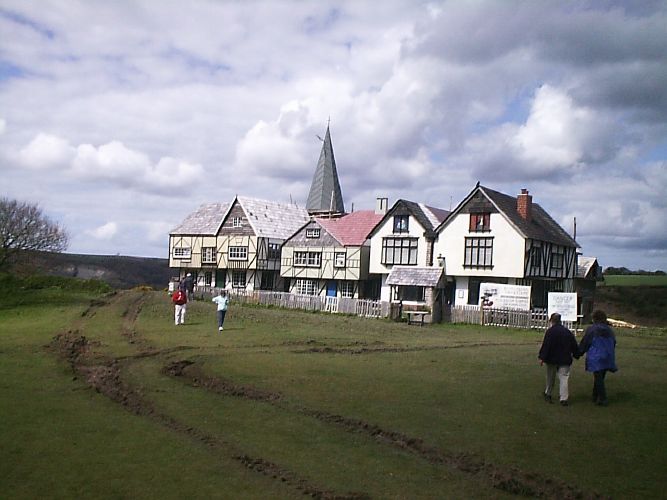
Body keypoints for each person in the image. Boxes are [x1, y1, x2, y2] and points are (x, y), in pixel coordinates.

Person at [538, 312, 580, 406]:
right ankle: (564, 398)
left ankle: (548, 393)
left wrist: (542, 358)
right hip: (565, 358)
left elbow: (546, 346)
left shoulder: (550, 332)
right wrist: (577, 354)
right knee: (564, 378)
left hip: (551, 358)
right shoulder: (567, 332)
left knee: (550, 378)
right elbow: (573, 345)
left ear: (551, 321)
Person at [579, 310, 617, 406]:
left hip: (596, 356)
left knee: (598, 377)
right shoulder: (609, 330)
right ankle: (595, 396)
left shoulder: (592, 329)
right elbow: (614, 342)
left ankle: (603, 398)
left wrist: (579, 352)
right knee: (600, 377)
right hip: (608, 356)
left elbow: (586, 342)